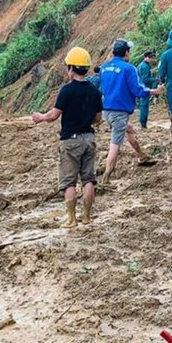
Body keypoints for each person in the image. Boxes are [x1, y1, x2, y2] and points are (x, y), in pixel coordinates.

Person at [32, 47, 102, 228]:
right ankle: (86, 216)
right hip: (89, 139)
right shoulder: (94, 91)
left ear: (71, 68)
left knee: (69, 181)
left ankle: (71, 219)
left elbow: (54, 115)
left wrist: (40, 117)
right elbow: (97, 120)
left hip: (70, 140)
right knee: (89, 179)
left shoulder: (67, 90)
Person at [99, 38, 164, 185]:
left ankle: (142, 155)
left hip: (107, 111)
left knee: (128, 129)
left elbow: (102, 89)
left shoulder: (104, 67)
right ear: (126, 53)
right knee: (115, 143)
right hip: (119, 112)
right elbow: (138, 90)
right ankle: (106, 177)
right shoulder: (129, 69)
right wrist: (156, 91)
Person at [136, 51, 158, 128]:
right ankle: (143, 125)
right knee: (144, 107)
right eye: (150, 57)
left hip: (140, 87)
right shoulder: (145, 67)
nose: (151, 59)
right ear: (145, 57)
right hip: (144, 88)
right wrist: (155, 79)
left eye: (152, 57)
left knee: (142, 106)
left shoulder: (141, 65)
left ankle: (143, 124)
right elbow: (145, 79)